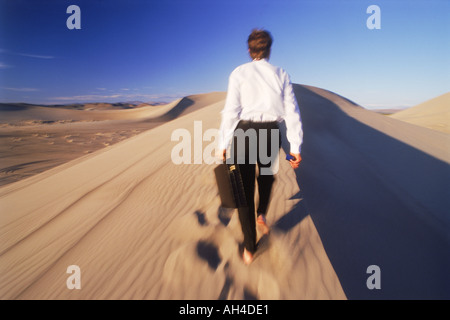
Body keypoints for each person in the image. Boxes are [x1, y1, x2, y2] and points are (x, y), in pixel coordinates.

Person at [218, 29, 303, 265]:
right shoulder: (281, 74)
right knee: (266, 177)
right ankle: (261, 214)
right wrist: (295, 146)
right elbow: (292, 113)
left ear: (249, 49)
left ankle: (249, 248)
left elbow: (231, 111)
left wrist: (223, 142)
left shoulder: (238, 73)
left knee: (243, 191)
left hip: (243, 133)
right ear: (269, 50)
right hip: (270, 133)